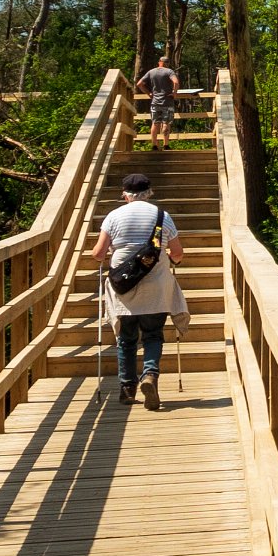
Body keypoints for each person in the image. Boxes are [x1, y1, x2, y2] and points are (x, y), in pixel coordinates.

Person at [89, 171, 188, 408]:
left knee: (126, 339)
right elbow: (177, 253)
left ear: (125, 195)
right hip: (156, 287)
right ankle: (150, 375)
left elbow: (98, 254)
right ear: (149, 193)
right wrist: (172, 260)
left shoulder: (113, 217)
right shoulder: (163, 216)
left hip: (124, 286)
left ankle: (127, 390)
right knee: (153, 334)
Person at [135, 55, 180, 151]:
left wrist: (149, 93)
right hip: (167, 102)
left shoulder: (151, 72)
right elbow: (176, 82)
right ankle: (166, 145)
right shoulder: (169, 71)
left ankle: (154, 145)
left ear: (159, 62)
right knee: (166, 123)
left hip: (155, 102)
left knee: (155, 123)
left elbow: (139, 84)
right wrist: (174, 93)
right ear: (167, 64)